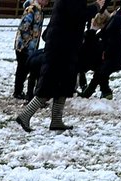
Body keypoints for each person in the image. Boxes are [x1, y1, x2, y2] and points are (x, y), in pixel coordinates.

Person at [16, 0, 89, 133]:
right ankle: (25, 115)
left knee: (63, 87)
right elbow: (79, 15)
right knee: (49, 86)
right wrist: (96, 7)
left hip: (64, 48)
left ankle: (56, 120)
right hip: (61, 50)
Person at [80, 0, 121, 97]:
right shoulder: (110, 28)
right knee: (100, 72)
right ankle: (102, 92)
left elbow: (109, 45)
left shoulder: (111, 29)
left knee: (101, 72)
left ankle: (95, 91)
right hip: (112, 58)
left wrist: (93, 30)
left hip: (114, 59)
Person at [13, 0, 44, 98]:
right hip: (24, 46)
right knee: (22, 69)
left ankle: (22, 91)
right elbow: (24, 26)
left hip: (30, 45)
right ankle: (18, 91)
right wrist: (28, 41)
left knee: (26, 69)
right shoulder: (32, 9)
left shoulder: (38, 10)